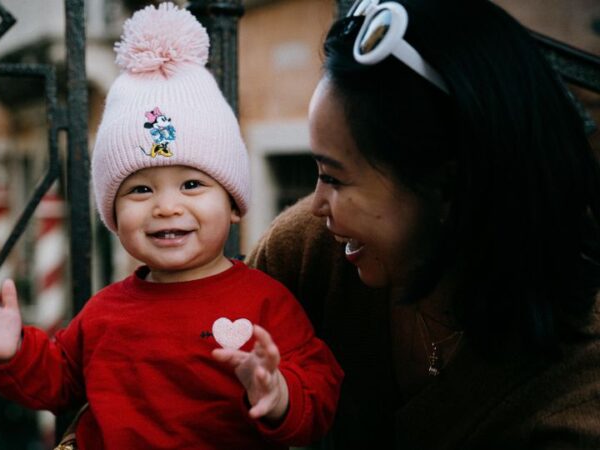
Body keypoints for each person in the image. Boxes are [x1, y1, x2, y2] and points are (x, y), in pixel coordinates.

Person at [0, 3, 342, 449]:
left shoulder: (267, 302)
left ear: (233, 204)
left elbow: (320, 392)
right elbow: (56, 382)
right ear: (113, 216)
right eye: (141, 191)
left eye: (191, 184)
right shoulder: (103, 313)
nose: (166, 207)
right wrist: (14, 349)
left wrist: (279, 394)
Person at [247, 0, 600, 448]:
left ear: (448, 185)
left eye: (334, 177)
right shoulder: (307, 253)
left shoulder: (575, 382)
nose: (316, 204)